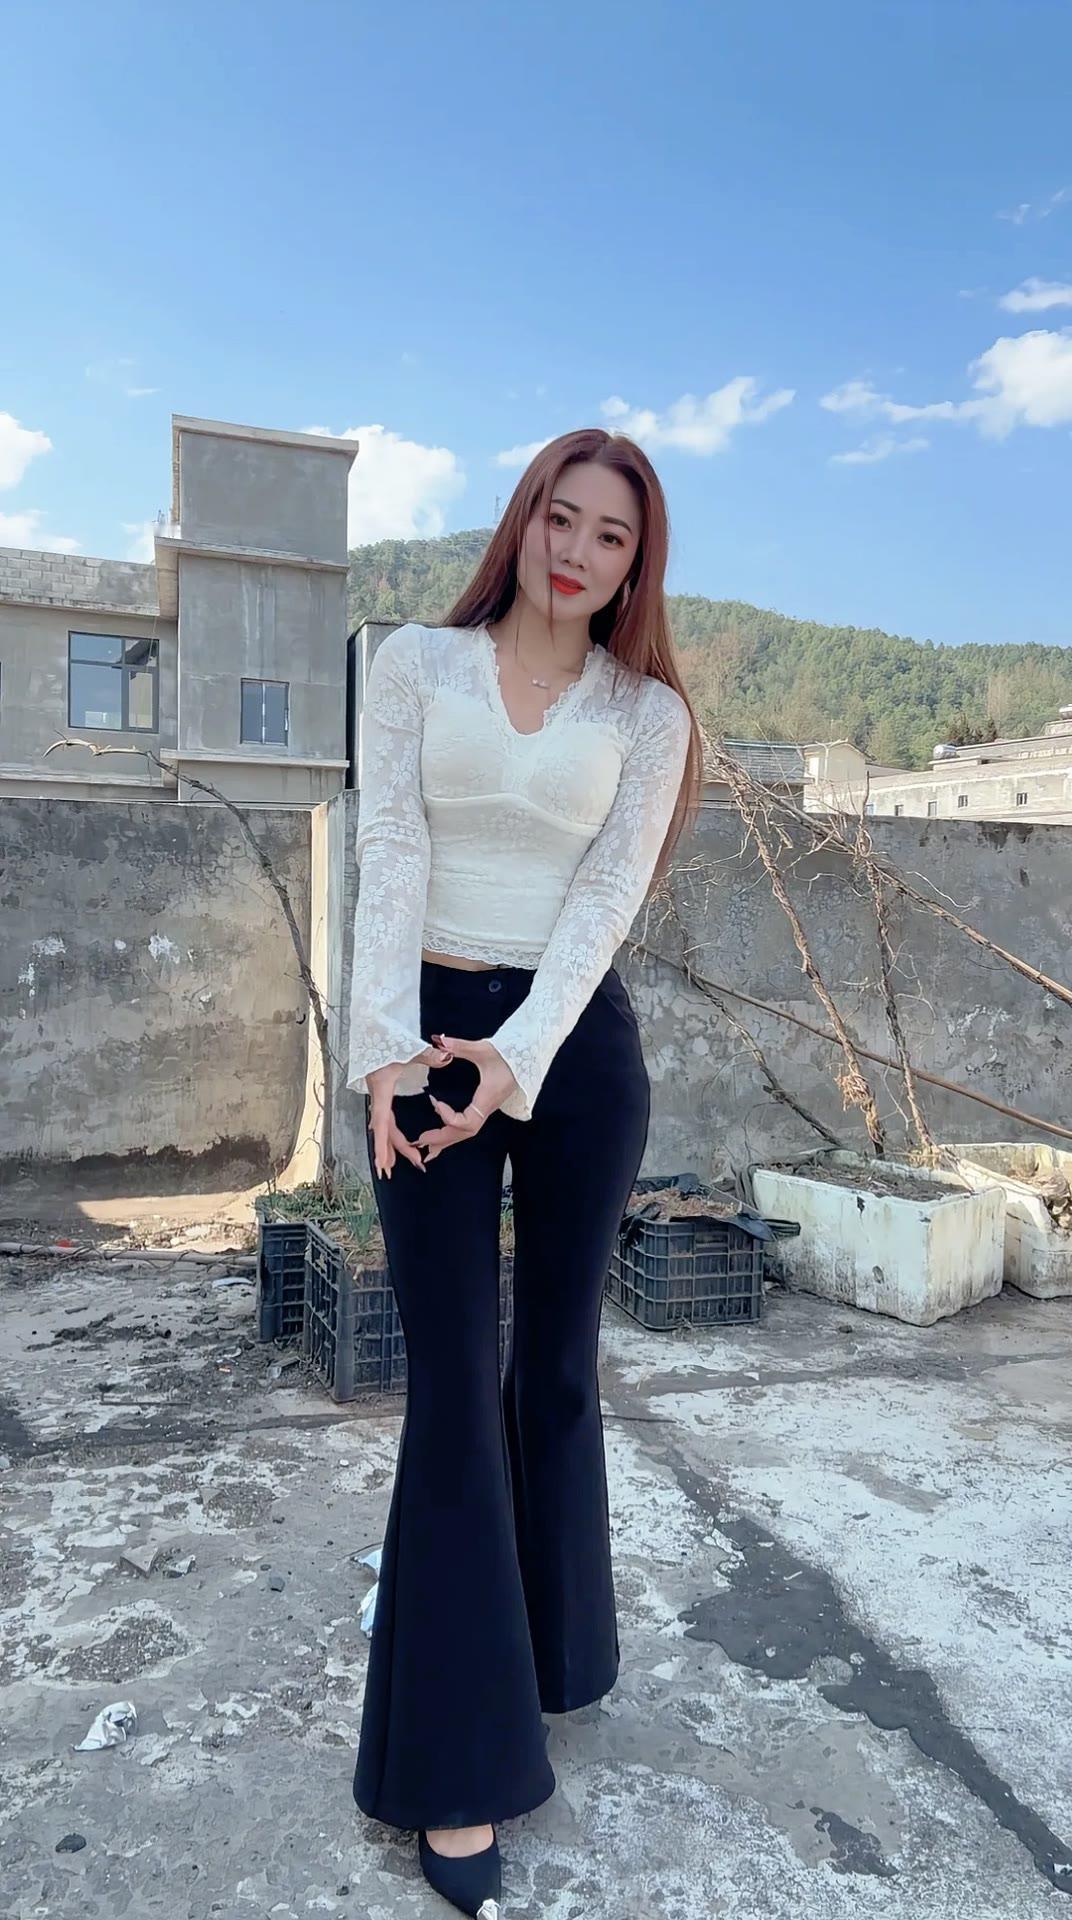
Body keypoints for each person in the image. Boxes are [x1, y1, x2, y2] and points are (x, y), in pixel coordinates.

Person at [346, 428, 703, 1917]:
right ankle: (458, 1767)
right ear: (524, 519)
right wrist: (386, 1050)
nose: (578, 552)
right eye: (562, 518)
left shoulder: (648, 713)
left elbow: (608, 896)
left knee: (553, 1370)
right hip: (425, 1040)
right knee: (452, 1387)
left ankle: (556, 1655)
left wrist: (521, 1055)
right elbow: (389, 847)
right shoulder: (418, 666)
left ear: (636, 563)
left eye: (612, 536)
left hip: (570, 1048)